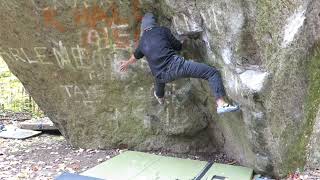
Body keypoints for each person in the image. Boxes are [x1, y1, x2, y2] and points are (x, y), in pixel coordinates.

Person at [120, 13, 239, 114]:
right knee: (212, 73)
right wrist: (184, 39)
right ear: (154, 22)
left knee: (158, 78)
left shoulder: (142, 42)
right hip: (177, 67)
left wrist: (127, 63)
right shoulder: (162, 31)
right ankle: (221, 103)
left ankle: (160, 96)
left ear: (143, 27)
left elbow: (135, 56)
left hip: (162, 76)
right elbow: (178, 46)